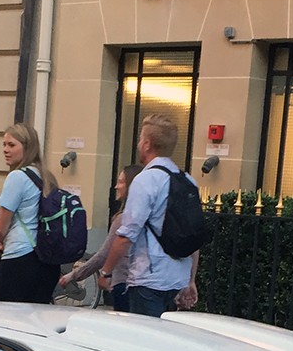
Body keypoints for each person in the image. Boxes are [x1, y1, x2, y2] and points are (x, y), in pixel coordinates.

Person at [94, 114, 199, 317]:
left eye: (141, 139)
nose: (139, 143)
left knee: (142, 342)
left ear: (147, 144)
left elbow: (126, 235)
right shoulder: (187, 181)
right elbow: (194, 237)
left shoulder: (146, 180)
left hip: (148, 279)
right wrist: (190, 279)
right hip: (177, 280)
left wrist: (106, 272)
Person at [0, 122, 63, 304]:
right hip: (46, 260)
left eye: (12, 145)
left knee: (0, 314)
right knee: (34, 320)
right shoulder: (47, 177)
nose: (5, 150)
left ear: (27, 148)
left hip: (19, 256)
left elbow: (0, 227)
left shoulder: (17, 177)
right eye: (4, 145)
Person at [62, 163, 141, 312]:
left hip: (123, 284)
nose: (116, 186)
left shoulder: (123, 219)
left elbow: (104, 254)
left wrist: (74, 275)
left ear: (131, 186)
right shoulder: (145, 217)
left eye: (121, 182)